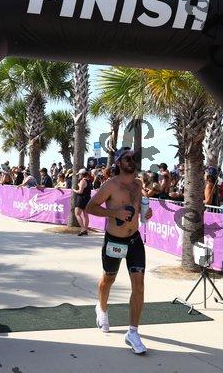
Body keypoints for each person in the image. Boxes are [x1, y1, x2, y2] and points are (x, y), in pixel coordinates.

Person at [86, 147, 153, 355]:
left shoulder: (138, 184)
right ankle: (101, 308)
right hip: (114, 240)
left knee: (139, 286)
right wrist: (114, 212)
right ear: (118, 162)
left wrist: (146, 213)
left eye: (133, 158)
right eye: (127, 158)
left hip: (134, 240)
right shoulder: (110, 185)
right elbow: (90, 207)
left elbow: (139, 209)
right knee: (109, 279)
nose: (131, 161)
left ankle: (132, 332)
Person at [73, 169, 91, 236]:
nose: (79, 176)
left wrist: (74, 190)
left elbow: (80, 191)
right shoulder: (89, 181)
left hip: (81, 199)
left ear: (82, 175)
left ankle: (83, 229)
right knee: (86, 215)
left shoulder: (83, 181)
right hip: (87, 199)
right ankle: (85, 229)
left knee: (77, 214)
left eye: (79, 175)